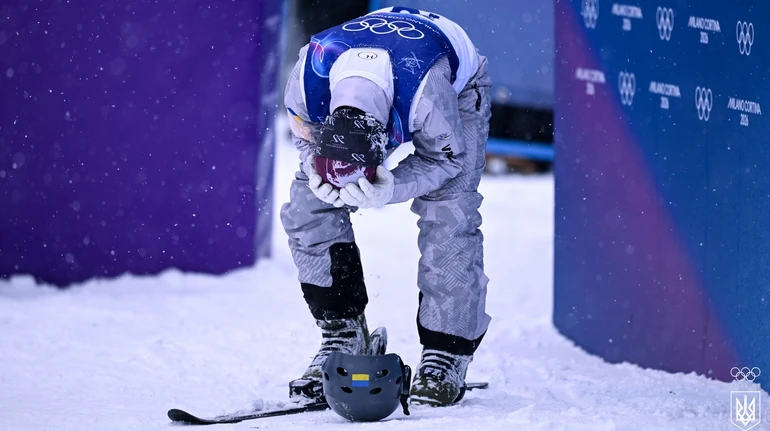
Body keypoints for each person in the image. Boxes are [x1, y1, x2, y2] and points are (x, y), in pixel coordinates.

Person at [281, 5, 492, 407]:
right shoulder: (306, 81)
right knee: (308, 205)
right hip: (376, 70)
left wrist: (389, 188)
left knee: (449, 211)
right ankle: (343, 333)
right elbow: (307, 139)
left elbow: (445, 160)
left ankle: (446, 352)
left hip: (447, 80)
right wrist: (315, 166)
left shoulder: (427, 96)